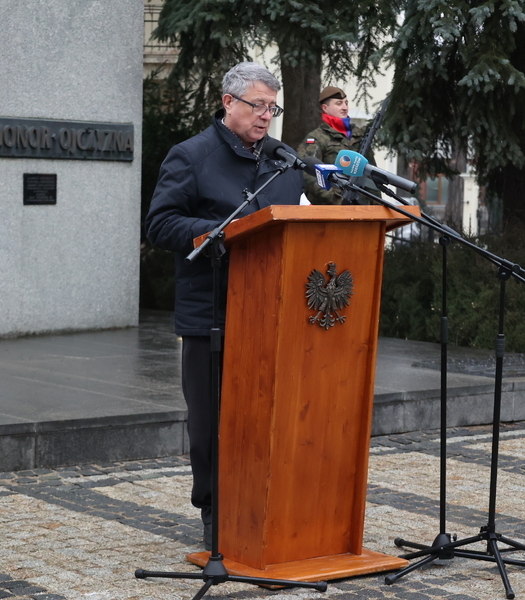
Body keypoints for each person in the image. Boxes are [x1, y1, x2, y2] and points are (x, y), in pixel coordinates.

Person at [144, 62, 303, 551]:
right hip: (211, 313)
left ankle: (267, 508)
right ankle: (215, 515)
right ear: (228, 102)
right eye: (258, 106)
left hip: (272, 314)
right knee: (213, 424)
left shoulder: (282, 161)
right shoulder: (190, 156)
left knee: (268, 418)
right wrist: (213, 234)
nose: (266, 117)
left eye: (272, 108)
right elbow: (159, 223)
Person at [296, 86, 374, 205]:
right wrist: (338, 199)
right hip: (329, 210)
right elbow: (308, 174)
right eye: (339, 103)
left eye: (346, 103)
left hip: (362, 207)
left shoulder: (359, 137)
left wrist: (377, 206)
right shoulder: (316, 138)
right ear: (325, 108)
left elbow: (371, 173)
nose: (345, 107)